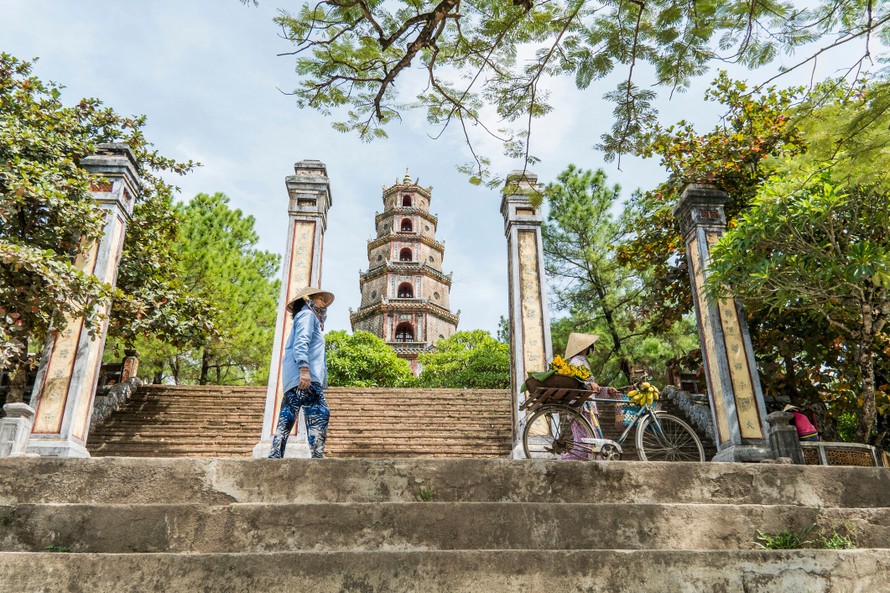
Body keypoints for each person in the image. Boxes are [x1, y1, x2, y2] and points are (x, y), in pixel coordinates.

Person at [268, 286, 335, 459]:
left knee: (290, 412)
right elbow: (301, 342)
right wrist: (304, 370)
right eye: (321, 299)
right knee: (319, 411)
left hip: (296, 377)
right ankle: (316, 456)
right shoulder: (307, 315)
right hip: (304, 376)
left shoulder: (306, 316)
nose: (324, 303)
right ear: (309, 299)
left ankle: (276, 454)